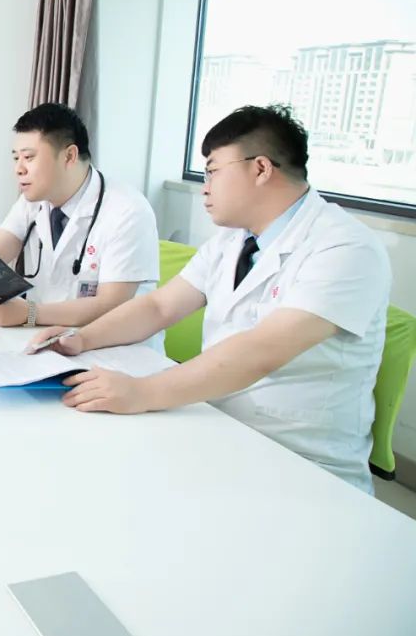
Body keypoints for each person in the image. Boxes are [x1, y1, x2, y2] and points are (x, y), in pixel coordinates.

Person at [31, 104, 390, 494]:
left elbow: (263, 350)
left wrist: (143, 391)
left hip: (299, 460)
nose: (205, 187)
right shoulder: (232, 240)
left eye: (213, 171)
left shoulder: (345, 247)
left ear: (261, 169)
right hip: (217, 422)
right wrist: (82, 338)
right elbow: (159, 307)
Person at [0, 103, 161, 351]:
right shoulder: (33, 201)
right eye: (16, 158)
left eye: (29, 157)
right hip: (46, 340)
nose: (19, 169)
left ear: (69, 156)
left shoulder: (128, 210)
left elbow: (111, 305)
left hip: (115, 351)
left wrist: (29, 313)